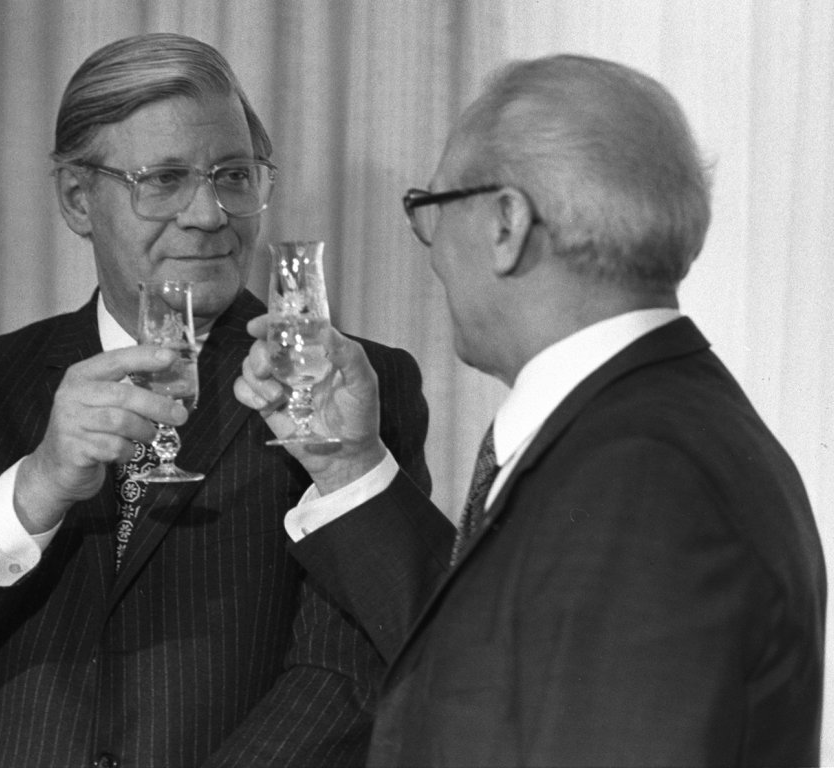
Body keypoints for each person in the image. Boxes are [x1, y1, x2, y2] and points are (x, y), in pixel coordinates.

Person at [0, 33, 452, 768]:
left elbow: (352, 676)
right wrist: (36, 486)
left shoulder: (341, 386)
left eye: (233, 175)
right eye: (162, 180)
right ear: (77, 198)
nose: (209, 213)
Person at [236, 54, 826, 766]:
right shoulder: (640, 430)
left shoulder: (643, 478)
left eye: (430, 211)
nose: (431, 253)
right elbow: (483, 672)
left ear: (507, 223)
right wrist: (348, 463)